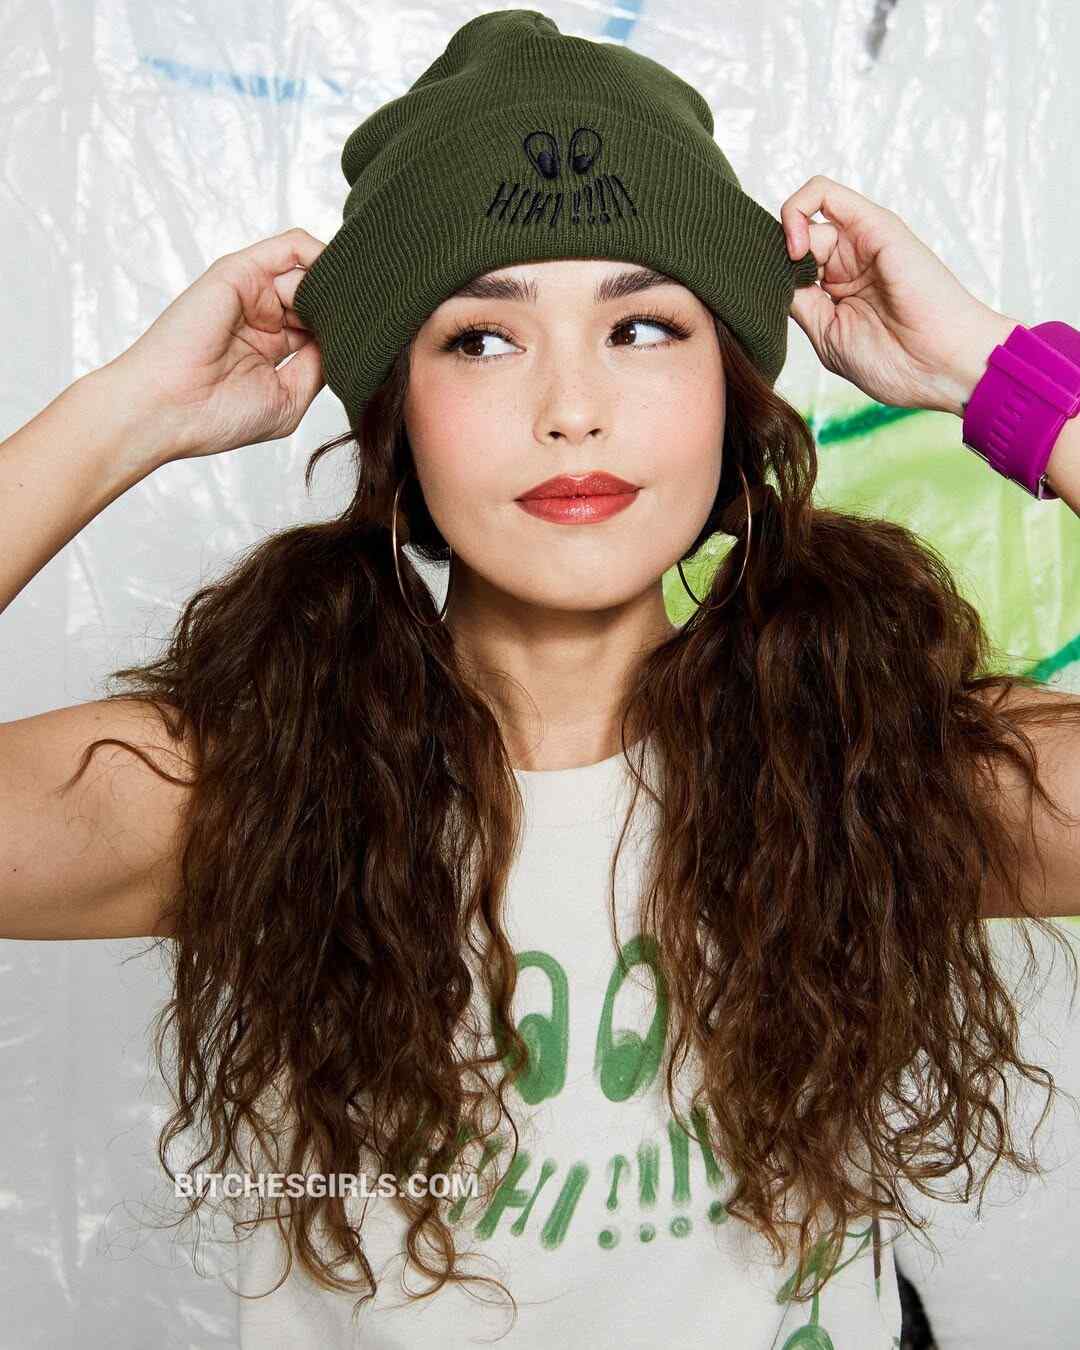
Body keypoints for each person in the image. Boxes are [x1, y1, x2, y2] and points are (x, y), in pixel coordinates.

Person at [3, 9, 1080, 1348]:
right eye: (482, 339)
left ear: (732, 390)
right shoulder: (254, 788)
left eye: (644, 327)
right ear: (396, 416)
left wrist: (999, 377)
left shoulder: (865, 762)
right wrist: (129, 413)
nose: (573, 407)